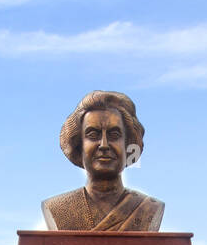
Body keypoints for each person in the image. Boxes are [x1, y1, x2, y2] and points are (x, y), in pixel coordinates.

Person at [41, 91, 165, 232]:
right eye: (93, 135)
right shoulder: (59, 209)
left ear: (128, 144)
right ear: (79, 145)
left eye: (114, 135)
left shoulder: (148, 208)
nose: (104, 145)